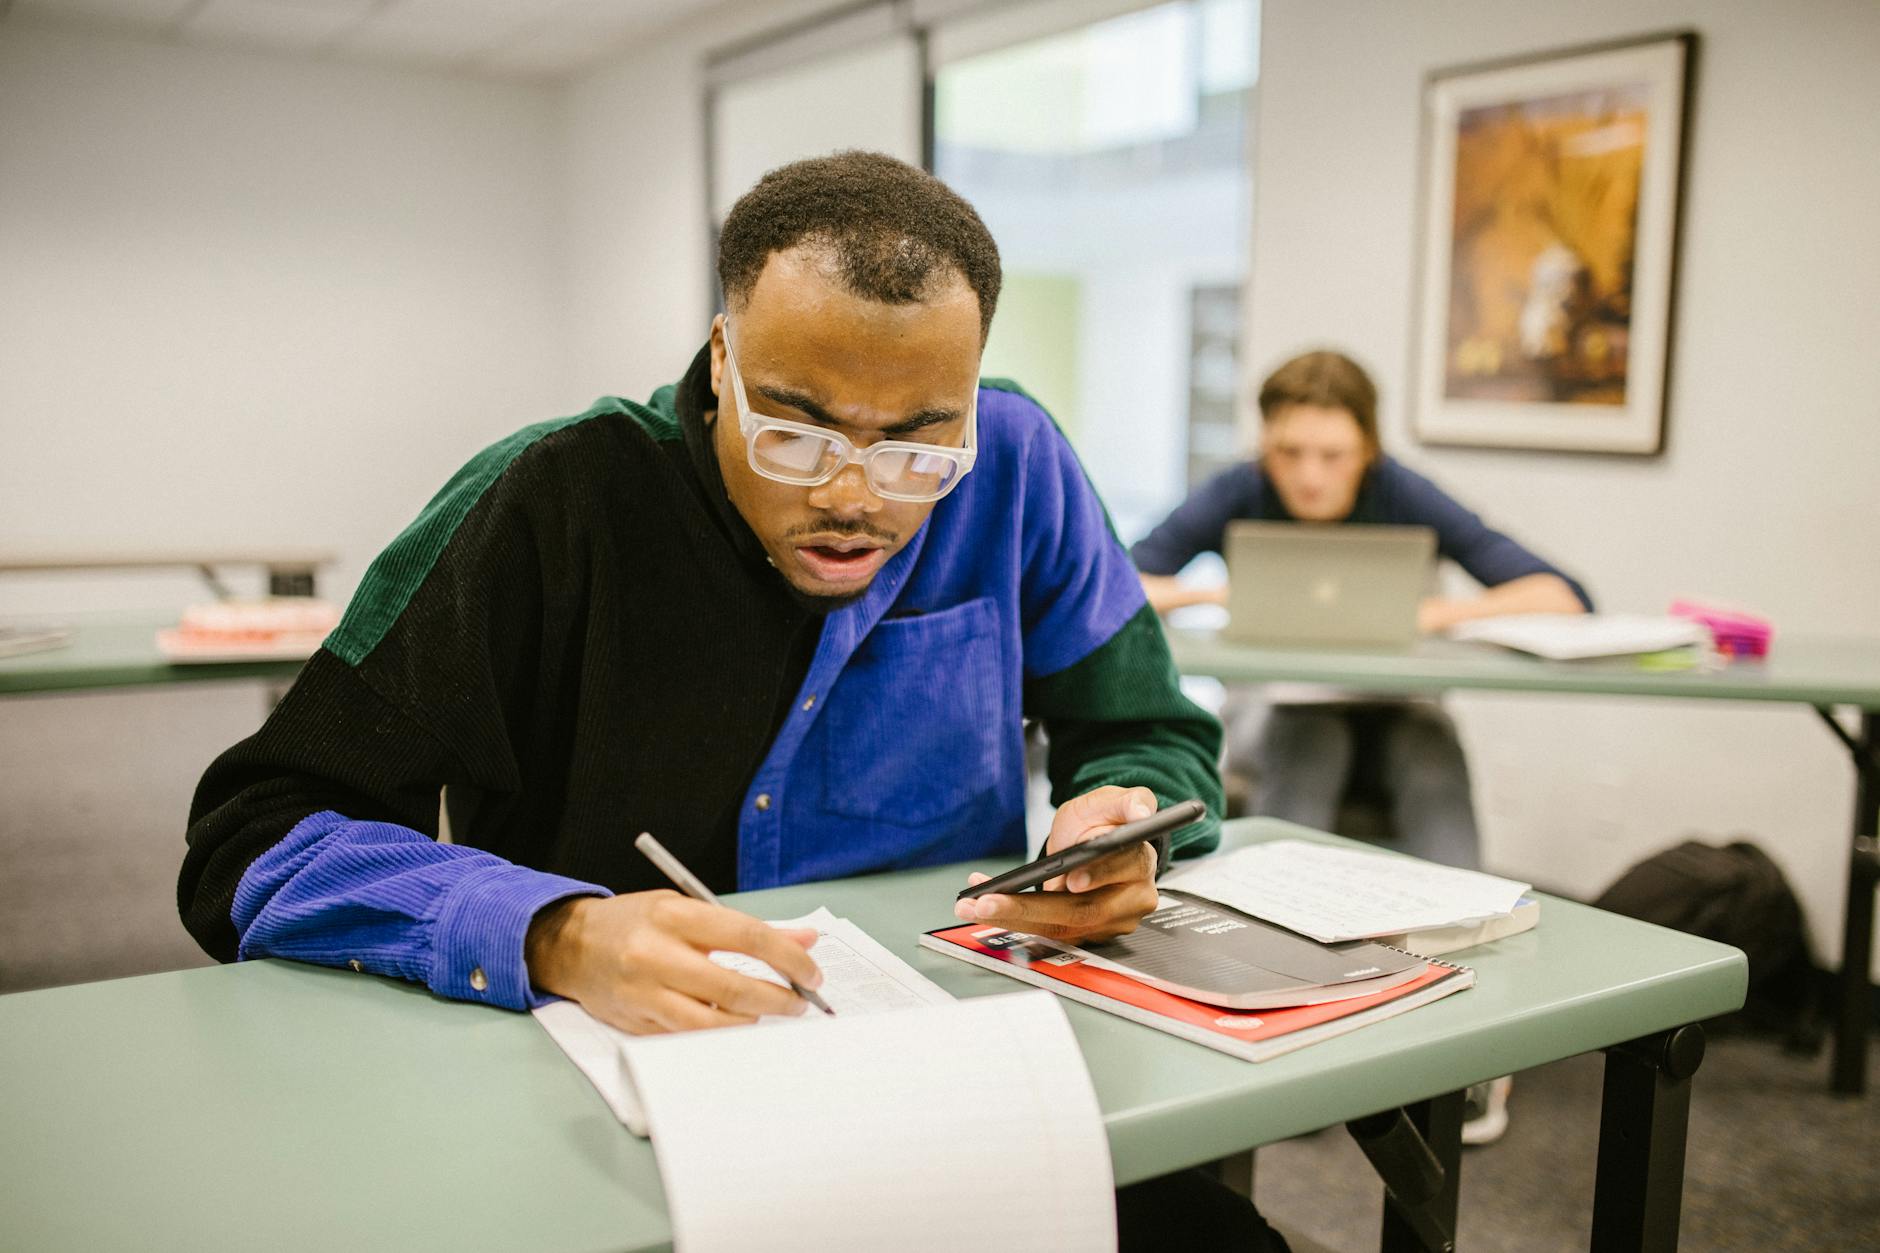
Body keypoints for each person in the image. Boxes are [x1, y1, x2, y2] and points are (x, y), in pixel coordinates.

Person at [178, 152, 1284, 1249]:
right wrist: (553, 932)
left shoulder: (1017, 462)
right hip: (623, 1121)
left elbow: (1148, 729)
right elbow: (252, 839)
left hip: (949, 1085)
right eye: (795, 433)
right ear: (722, 358)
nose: (851, 496)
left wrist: (1121, 816)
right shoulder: (550, 501)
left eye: (917, 445)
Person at [1132, 349, 1590, 1147]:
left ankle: (1479, 1043)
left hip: (1398, 717)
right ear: (1266, 445)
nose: (1308, 475)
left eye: (1332, 455)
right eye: (1289, 452)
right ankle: (1281, 1009)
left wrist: (1419, 615)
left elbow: (1562, 595)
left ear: (1368, 449)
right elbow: (1114, 580)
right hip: (1287, 721)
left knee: (1431, 751)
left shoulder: (1403, 491)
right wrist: (1218, 592)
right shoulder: (1240, 488)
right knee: (1313, 739)